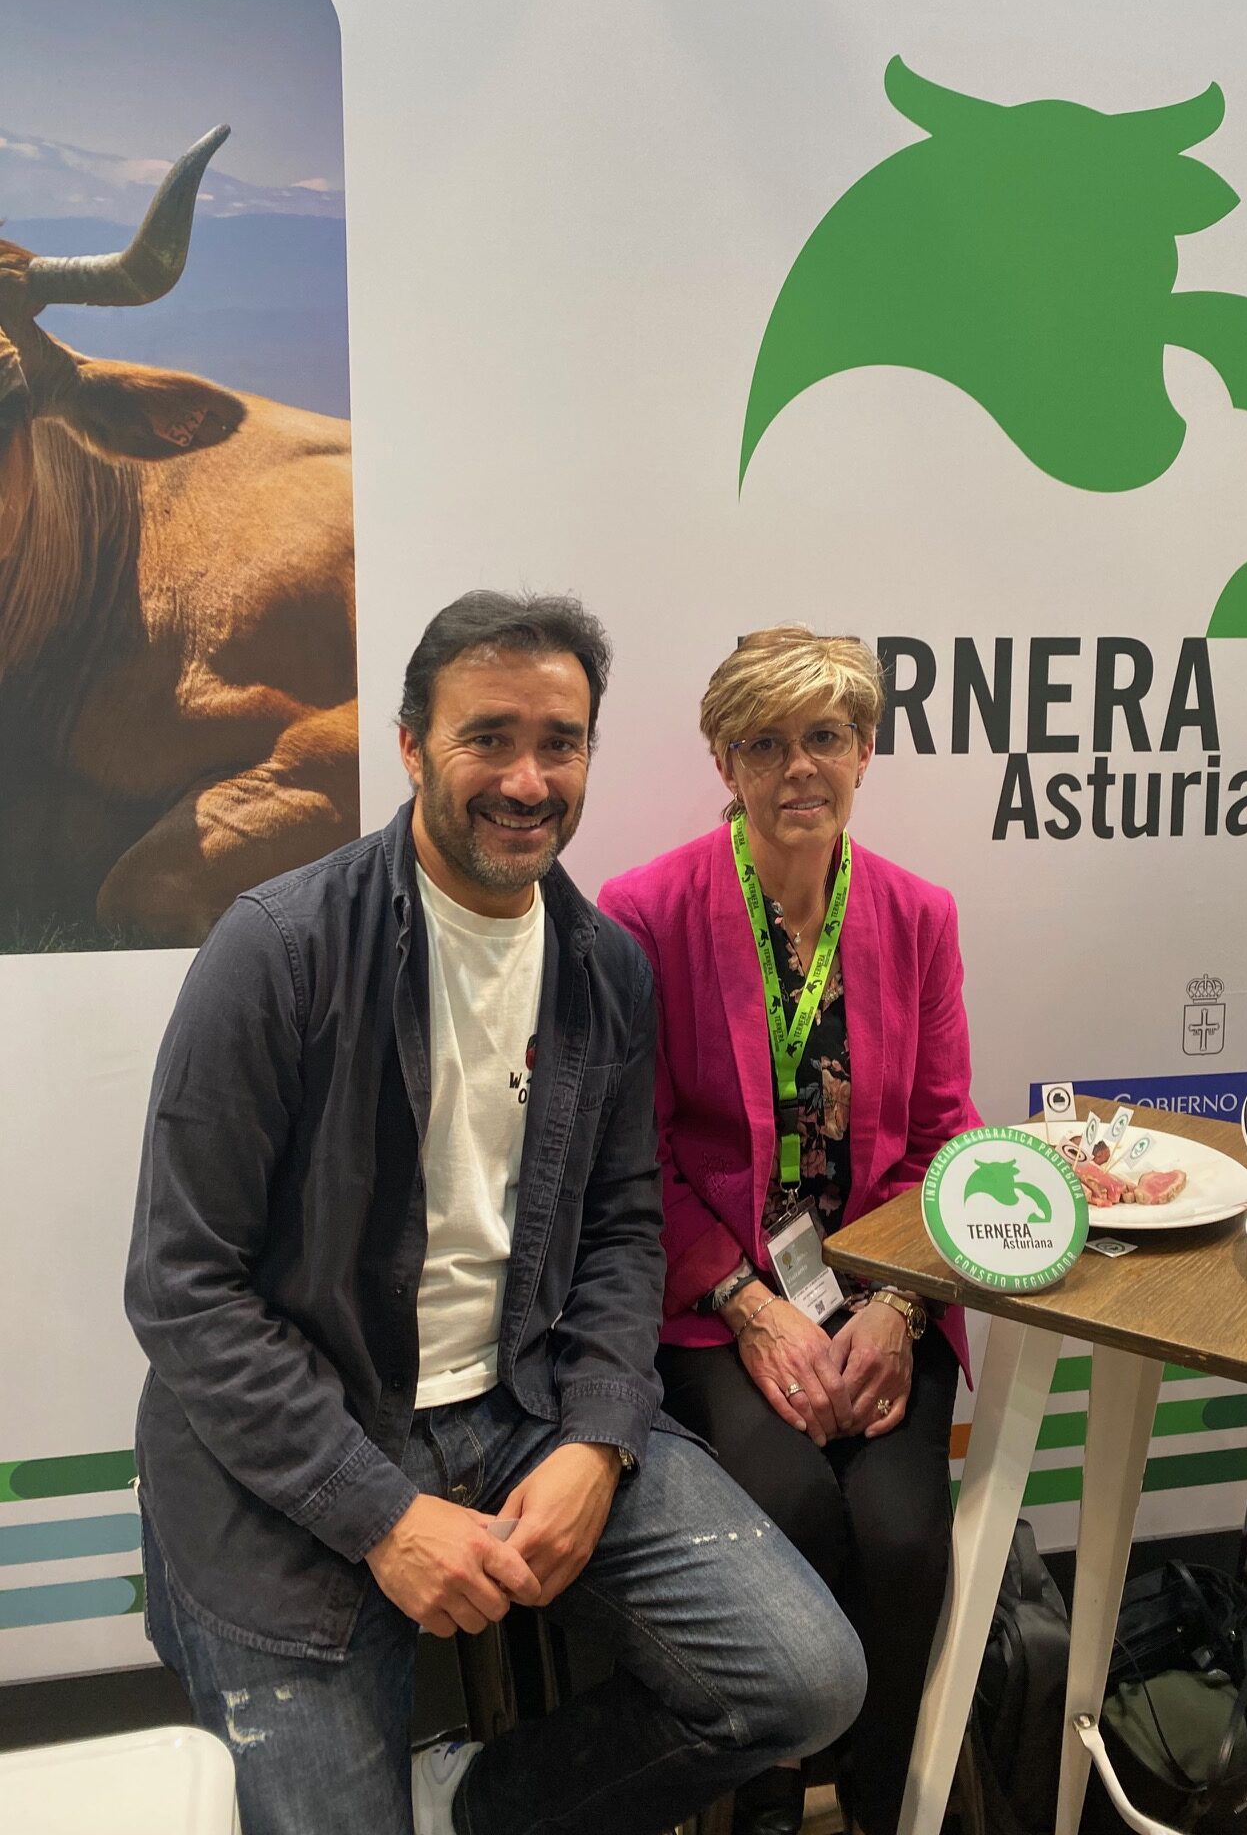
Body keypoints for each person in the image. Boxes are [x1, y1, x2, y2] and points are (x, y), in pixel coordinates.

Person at [125, 593, 865, 1835]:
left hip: (522, 1411)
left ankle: (477, 1805)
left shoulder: (604, 970)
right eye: (489, 738)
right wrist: (382, 1514)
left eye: (560, 743)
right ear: (411, 746)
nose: (527, 780)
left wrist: (599, 1438)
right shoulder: (280, 951)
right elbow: (181, 1288)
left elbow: (624, 1235)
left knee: (806, 1685)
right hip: (302, 1445)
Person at [599, 626, 977, 1835]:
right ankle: (760, 1790)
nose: (798, 768)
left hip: (879, 1294)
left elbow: (944, 1137)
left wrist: (899, 1304)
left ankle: (877, 1801)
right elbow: (633, 1155)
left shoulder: (918, 917)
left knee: (909, 1534)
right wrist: (752, 1308)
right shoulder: (645, 912)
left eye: (825, 737)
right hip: (719, 1307)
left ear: (866, 751)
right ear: (725, 761)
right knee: (793, 1508)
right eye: (765, 743)